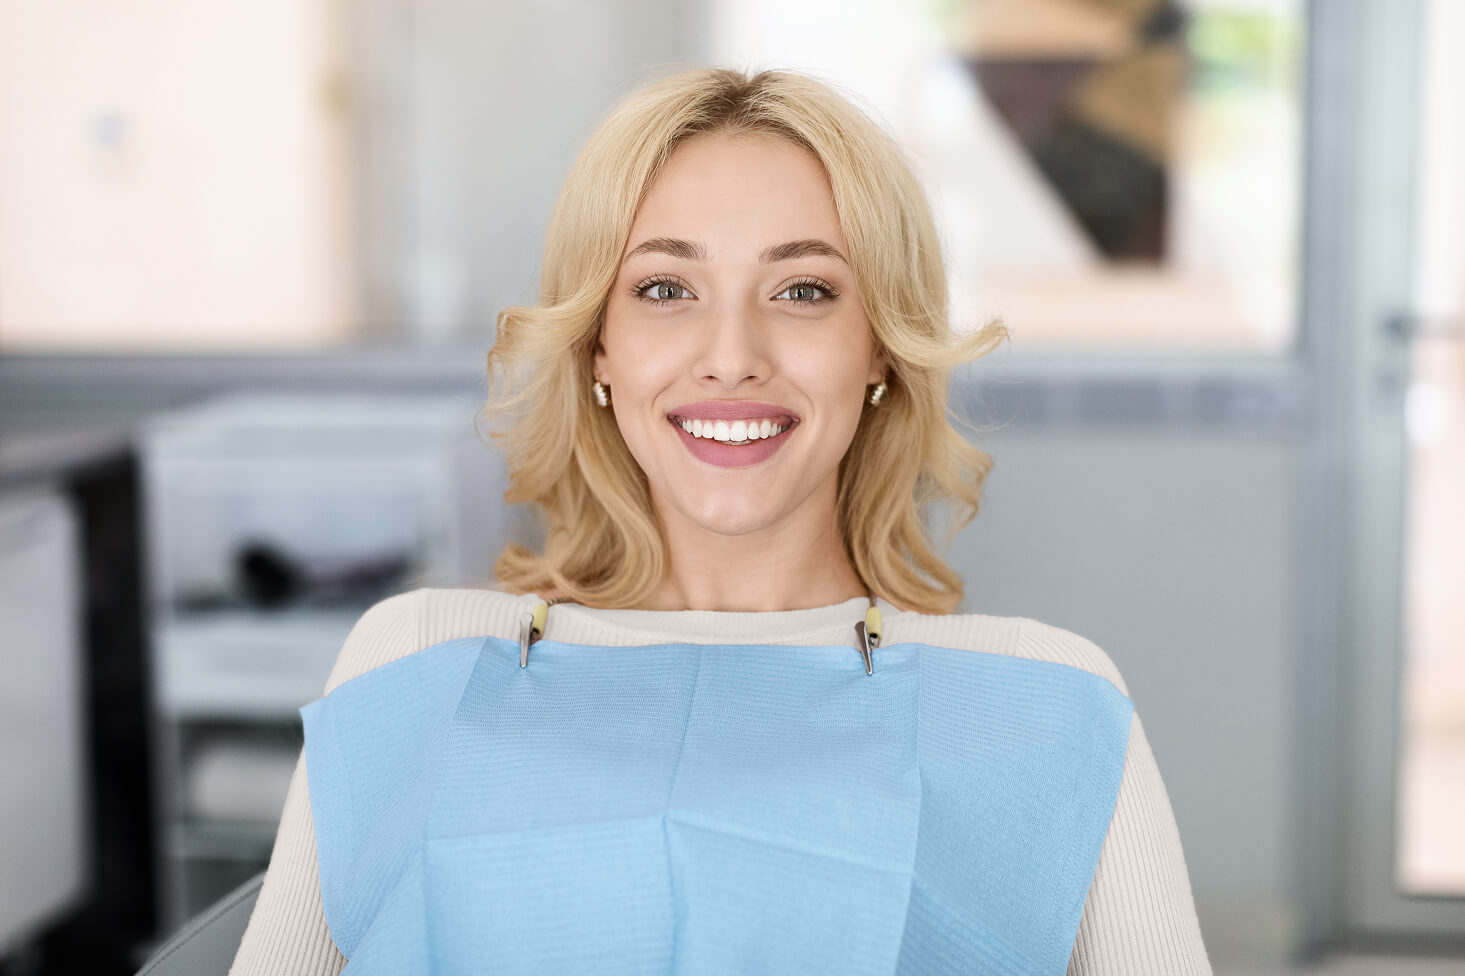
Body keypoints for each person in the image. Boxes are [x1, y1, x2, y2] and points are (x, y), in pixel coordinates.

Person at [230, 66, 1210, 975]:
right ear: (599, 348)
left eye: (802, 290)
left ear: (877, 347)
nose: (730, 354)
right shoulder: (418, 662)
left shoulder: (1040, 703)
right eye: (665, 289)